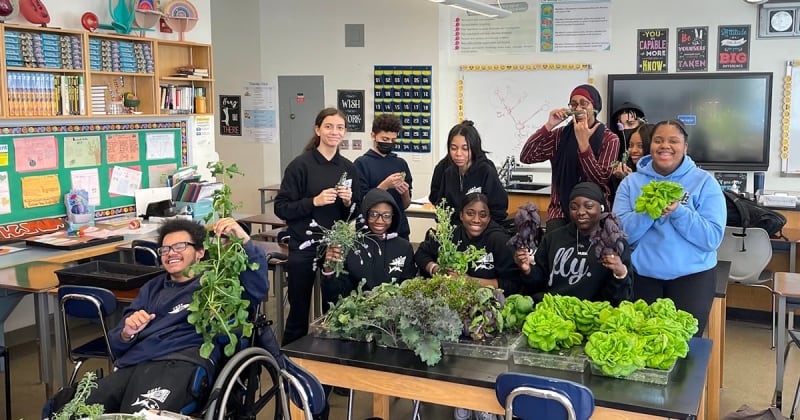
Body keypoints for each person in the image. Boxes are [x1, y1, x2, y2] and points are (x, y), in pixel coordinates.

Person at [50, 218, 268, 414]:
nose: (171, 253)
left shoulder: (217, 286)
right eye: (165, 249)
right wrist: (127, 332)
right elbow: (115, 344)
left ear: (200, 252)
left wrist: (244, 240)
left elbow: (257, 289)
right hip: (136, 364)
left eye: (180, 246)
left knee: (141, 415)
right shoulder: (152, 288)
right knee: (67, 410)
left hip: (181, 363)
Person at [614, 119, 726, 335]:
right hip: (642, 277)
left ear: (685, 147)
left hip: (693, 279)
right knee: (640, 343)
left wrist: (679, 212)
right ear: (651, 146)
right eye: (658, 140)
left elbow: (711, 238)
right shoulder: (631, 183)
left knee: (684, 345)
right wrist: (649, 211)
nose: (665, 146)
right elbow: (620, 235)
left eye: (673, 141)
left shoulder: (705, 182)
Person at [274, 107, 362, 345]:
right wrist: (314, 201)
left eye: (340, 127)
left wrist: (348, 202)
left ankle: (330, 358)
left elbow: (354, 214)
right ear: (318, 130)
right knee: (299, 310)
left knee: (334, 309)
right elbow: (281, 208)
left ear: (345, 132)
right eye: (329, 126)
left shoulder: (349, 168)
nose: (334, 132)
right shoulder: (300, 166)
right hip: (304, 245)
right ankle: (290, 360)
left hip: (335, 246)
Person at [519, 84, 619, 233]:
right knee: (554, 243)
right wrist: (549, 125)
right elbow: (527, 156)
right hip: (560, 210)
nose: (578, 108)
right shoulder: (560, 135)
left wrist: (584, 145)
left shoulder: (609, 139)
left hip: (594, 211)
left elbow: (601, 178)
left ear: (595, 106)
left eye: (584, 103)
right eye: (573, 104)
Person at [513, 182, 632, 305]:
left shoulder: (613, 244)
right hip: (552, 309)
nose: (580, 212)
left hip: (592, 313)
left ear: (601, 208)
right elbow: (539, 284)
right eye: (574, 207)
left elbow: (621, 300)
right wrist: (528, 270)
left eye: (588, 206)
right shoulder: (553, 239)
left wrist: (620, 274)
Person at [415, 193, 520, 295]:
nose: (476, 220)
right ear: (461, 215)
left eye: (483, 215)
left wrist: (469, 281)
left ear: (489, 218)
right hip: (453, 297)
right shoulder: (452, 234)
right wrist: (437, 270)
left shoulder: (500, 240)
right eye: (470, 213)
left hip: (490, 300)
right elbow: (421, 253)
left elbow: (512, 284)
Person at [322, 188, 417, 299]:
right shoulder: (351, 246)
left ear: (393, 216)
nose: (380, 221)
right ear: (365, 214)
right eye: (374, 214)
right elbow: (336, 295)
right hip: (356, 307)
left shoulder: (404, 248)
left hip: (394, 307)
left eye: (386, 215)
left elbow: (409, 289)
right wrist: (329, 270)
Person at [432, 120, 508, 227]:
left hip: (483, 232)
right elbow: (442, 207)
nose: (458, 153)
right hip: (456, 231)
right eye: (453, 148)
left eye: (465, 149)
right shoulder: (448, 173)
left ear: (474, 148)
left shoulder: (486, 171)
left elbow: (499, 211)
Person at [354, 114, 413, 240]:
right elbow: (361, 203)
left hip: (399, 229)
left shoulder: (400, 163)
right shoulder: (361, 164)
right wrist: (385, 185)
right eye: (385, 139)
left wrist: (405, 193)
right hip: (370, 231)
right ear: (373, 136)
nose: (389, 143)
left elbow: (405, 205)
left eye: (393, 140)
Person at [609, 123, 654, 206]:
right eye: (631, 145)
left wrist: (632, 181)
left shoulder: (661, 173)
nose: (633, 150)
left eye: (640, 146)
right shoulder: (628, 168)